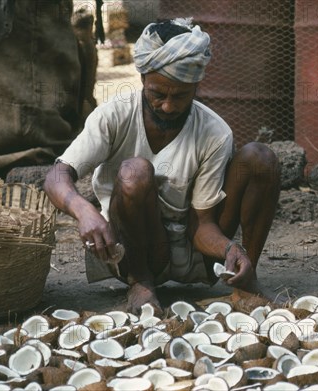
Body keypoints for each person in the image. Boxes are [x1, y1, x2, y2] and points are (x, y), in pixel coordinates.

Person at [44, 18, 281, 315]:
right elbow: (56, 176)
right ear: (143, 78)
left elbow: (202, 225)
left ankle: (246, 282)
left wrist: (231, 249)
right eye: (158, 94)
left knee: (261, 159)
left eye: (181, 95)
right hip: (131, 249)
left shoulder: (215, 132)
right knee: (135, 172)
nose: (168, 106)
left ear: (196, 86)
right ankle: (140, 284)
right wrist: (84, 211)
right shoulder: (113, 116)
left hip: (195, 253)